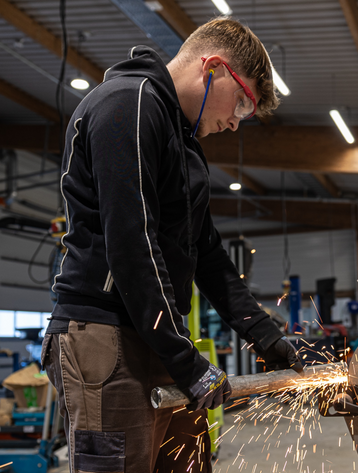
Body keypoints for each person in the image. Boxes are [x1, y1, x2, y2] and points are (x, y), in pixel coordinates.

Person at [41, 18, 303, 473]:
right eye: (242, 103)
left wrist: (268, 339)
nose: (237, 123)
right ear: (213, 68)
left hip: (157, 335)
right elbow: (132, 245)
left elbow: (206, 252)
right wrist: (186, 361)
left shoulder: (181, 141)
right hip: (108, 336)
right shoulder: (129, 105)